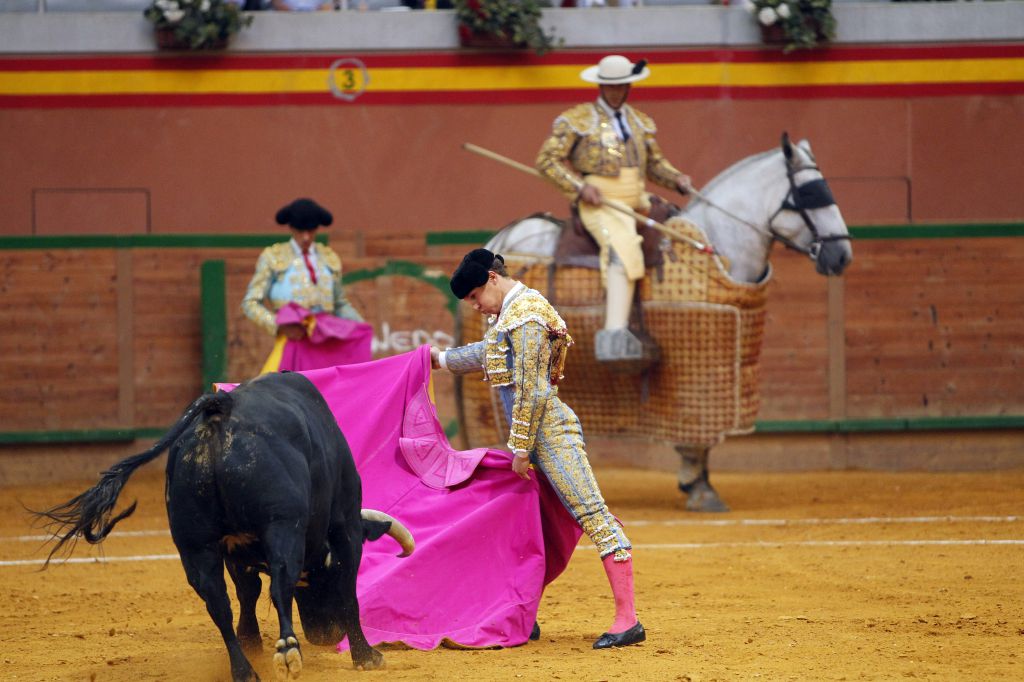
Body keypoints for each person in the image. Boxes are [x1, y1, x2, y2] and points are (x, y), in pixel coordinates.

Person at [430, 248, 646, 650]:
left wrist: (521, 449)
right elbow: (487, 352)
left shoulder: (527, 314)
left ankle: (627, 619)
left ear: (492, 279)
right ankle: (522, 615)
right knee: (534, 529)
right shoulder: (509, 315)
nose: (476, 306)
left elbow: (533, 389)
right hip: (535, 437)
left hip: (551, 436)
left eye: (476, 296)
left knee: (594, 516)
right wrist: (438, 359)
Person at [535, 54, 692, 362]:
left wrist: (676, 179)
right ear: (601, 86)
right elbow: (546, 161)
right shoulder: (578, 120)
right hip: (601, 201)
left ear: (630, 85)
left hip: (638, 198)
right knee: (621, 245)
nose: (617, 91)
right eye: (611, 86)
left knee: (680, 228)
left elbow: (655, 165)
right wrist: (580, 188)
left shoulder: (639, 122)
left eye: (622, 85)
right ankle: (614, 335)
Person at [241, 197, 370, 372]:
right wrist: (279, 325)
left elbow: (340, 304)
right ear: (291, 228)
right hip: (292, 342)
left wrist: (361, 327)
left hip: (326, 344)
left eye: (311, 230)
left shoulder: (329, 258)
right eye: (301, 231)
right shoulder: (273, 257)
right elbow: (250, 303)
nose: (306, 237)